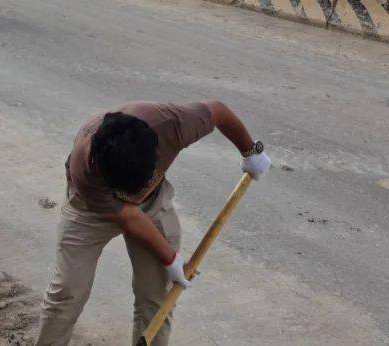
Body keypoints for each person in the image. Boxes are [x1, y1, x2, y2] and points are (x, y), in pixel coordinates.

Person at [35, 101, 272, 346]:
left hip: (153, 200)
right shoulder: (84, 168)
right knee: (68, 291)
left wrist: (250, 151)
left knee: (156, 294)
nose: (132, 196)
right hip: (89, 210)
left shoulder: (173, 123)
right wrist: (170, 257)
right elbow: (128, 216)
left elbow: (218, 111)